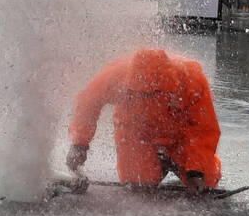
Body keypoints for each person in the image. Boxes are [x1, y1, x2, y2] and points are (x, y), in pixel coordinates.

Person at [65, 48, 221, 190]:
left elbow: (203, 129)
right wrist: (79, 144)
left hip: (180, 136)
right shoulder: (114, 76)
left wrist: (196, 171)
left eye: (153, 94)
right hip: (136, 133)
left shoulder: (191, 78)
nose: (146, 100)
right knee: (138, 184)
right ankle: (157, 166)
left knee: (206, 181)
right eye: (140, 93)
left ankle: (182, 166)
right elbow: (87, 103)